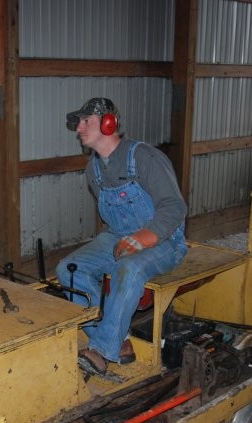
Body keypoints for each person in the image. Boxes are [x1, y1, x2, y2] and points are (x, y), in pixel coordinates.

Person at [57, 97, 188, 376]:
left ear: (108, 123)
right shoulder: (93, 169)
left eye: (86, 121)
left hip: (165, 241)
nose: (79, 128)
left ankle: (102, 350)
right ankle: (120, 339)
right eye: (78, 122)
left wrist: (143, 237)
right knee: (68, 269)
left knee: (128, 268)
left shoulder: (144, 157)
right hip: (117, 236)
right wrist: (121, 240)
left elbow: (175, 207)